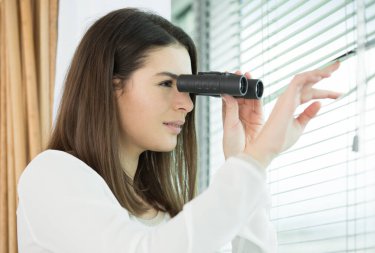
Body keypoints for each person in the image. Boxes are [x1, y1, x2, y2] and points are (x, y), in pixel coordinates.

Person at [16, 8, 341, 253]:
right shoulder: (51, 174)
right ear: (111, 86)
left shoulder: (163, 215)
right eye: (166, 83)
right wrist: (253, 161)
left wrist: (243, 158)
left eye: (187, 87)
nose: (186, 104)